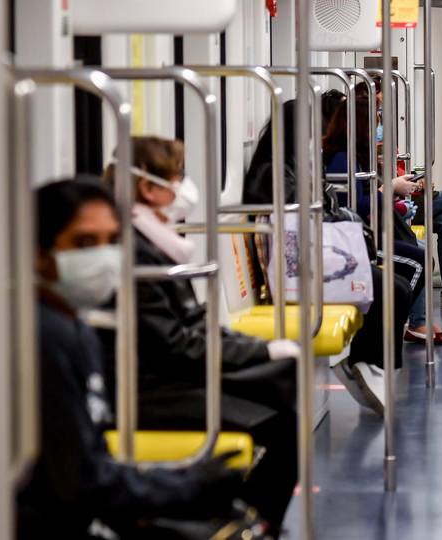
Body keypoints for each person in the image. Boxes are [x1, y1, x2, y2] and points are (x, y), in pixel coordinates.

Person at [18, 178, 244, 538]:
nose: (104, 258)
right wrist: (184, 487)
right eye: (84, 243)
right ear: (39, 254)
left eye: (112, 242)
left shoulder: (76, 327)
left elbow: (92, 460)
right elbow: (80, 481)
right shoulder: (46, 339)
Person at [98, 138, 299, 531]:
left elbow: (188, 325)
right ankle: (247, 523)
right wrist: (259, 353)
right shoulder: (136, 251)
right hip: (144, 389)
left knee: (278, 391)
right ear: (148, 187)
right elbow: (173, 344)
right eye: (178, 177)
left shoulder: (153, 243)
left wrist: (253, 349)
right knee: (280, 424)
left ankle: (246, 519)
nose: (184, 187)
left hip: (164, 373)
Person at [242, 99, 416, 416]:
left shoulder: (300, 166)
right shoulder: (274, 172)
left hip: (313, 252)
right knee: (392, 288)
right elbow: (299, 221)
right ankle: (366, 362)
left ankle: (370, 364)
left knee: (398, 286)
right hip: (299, 263)